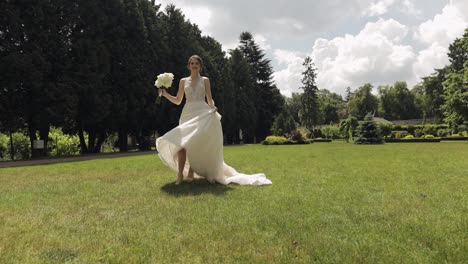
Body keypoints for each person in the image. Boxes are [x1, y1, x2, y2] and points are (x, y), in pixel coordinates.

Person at [156, 55, 272, 186]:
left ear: (200, 66)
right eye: (192, 63)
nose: (194, 65)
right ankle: (180, 175)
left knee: (195, 144)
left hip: (201, 113)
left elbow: (209, 98)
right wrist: (165, 94)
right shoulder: (183, 81)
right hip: (187, 114)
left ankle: (191, 172)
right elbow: (178, 101)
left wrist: (212, 106)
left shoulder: (205, 80)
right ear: (188, 66)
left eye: (197, 63)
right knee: (182, 145)